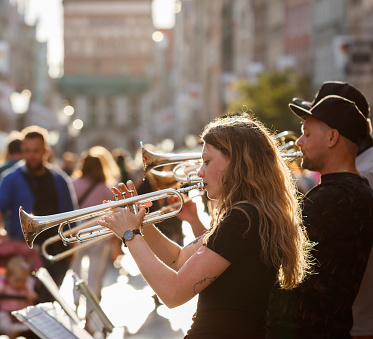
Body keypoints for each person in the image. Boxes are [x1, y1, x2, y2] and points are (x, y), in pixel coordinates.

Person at [97, 115, 313, 338]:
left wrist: (130, 235)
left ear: (237, 162)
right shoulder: (248, 214)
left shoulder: (243, 218)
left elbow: (172, 293)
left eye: (207, 161)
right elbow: (181, 261)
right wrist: (140, 222)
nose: (199, 172)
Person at [266, 95, 373, 338]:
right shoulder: (347, 190)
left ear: (332, 137)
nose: (299, 142)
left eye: (307, 134)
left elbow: (268, 249)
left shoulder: (336, 196)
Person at [0, 125, 77, 294]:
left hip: (56, 250)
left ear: (46, 151)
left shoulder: (60, 179)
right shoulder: (10, 178)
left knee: (50, 299)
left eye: (36, 151)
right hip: (22, 251)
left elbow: (71, 214)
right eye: (27, 151)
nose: (31, 156)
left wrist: (71, 247)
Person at [70, 148, 116, 322]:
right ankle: (90, 314)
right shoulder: (106, 188)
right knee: (94, 276)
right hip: (99, 233)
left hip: (76, 233)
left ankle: (75, 303)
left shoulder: (73, 183)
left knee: (76, 271)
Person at [0, 256, 38, 339]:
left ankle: (21, 329)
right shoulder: (3, 286)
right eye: (17, 280)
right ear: (8, 277)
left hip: (21, 314)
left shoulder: (26, 286)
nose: (21, 283)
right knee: (2, 317)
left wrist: (30, 293)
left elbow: (33, 296)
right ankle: (11, 330)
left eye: (24, 280)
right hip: (4, 312)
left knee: (30, 320)